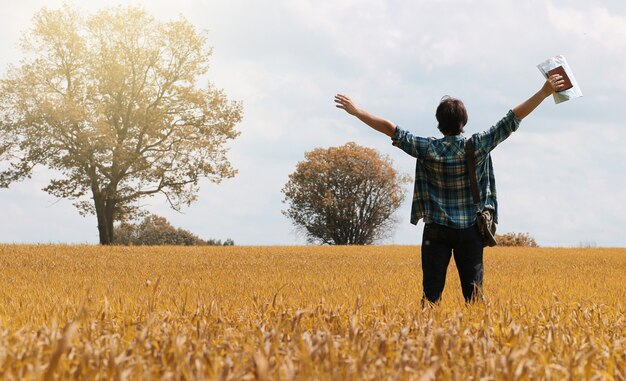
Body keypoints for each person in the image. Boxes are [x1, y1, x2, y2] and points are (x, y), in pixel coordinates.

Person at [334, 74, 565, 304]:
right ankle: (477, 337)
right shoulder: (479, 145)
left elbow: (391, 129)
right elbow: (513, 118)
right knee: (474, 297)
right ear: (463, 123)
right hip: (471, 230)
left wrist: (357, 111)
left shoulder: (427, 148)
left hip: (436, 229)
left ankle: (423, 337)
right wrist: (544, 92)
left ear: (438, 123)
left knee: (431, 296)